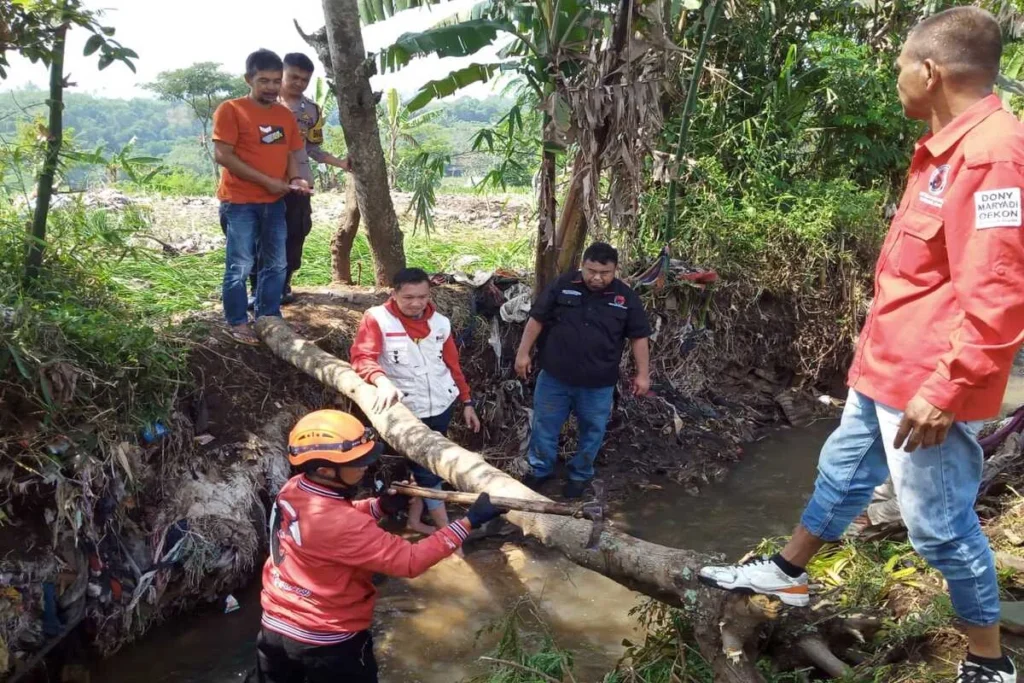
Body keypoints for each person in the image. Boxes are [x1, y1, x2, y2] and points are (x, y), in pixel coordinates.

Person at [698, 8, 1024, 683]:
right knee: (842, 472)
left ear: (930, 71)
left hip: (927, 382)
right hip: (887, 367)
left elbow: (998, 287)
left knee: (939, 526)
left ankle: (989, 661)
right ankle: (786, 571)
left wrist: (948, 385)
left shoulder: (992, 153)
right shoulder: (944, 146)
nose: (896, 80)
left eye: (900, 67)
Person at [253, 409, 503, 683]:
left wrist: (378, 506)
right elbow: (410, 560)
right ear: (325, 469)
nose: (365, 466)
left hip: (274, 629)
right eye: (358, 461)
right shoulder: (343, 524)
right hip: (327, 644)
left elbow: (328, 525)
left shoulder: (293, 488)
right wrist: (468, 522)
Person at [350, 267, 482, 539]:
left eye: (422, 296)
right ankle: (449, 537)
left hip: (441, 407)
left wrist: (467, 401)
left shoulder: (441, 323)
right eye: (408, 297)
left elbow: (453, 365)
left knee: (428, 466)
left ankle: (414, 521)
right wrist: (382, 382)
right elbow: (363, 358)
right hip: (407, 413)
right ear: (394, 294)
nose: (416, 303)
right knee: (428, 473)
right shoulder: (377, 319)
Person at [514, 242, 651, 499]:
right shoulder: (562, 285)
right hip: (555, 376)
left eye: (605, 273)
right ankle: (541, 469)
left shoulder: (625, 298)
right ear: (583, 266)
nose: (597, 278)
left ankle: (580, 474)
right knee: (545, 425)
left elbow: (639, 337)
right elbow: (537, 319)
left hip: (598, 383)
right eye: (591, 271)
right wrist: (523, 353)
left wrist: (643, 374)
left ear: (615, 270)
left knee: (592, 430)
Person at [213, 49, 310, 345]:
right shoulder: (231, 110)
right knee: (240, 265)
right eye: (263, 80)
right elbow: (223, 155)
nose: (270, 87)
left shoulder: (284, 115)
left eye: (275, 81)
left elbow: (292, 151)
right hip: (239, 203)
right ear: (248, 79)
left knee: (277, 263)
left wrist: (295, 178)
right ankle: (237, 321)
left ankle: (269, 316)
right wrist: (268, 181)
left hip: (274, 203)